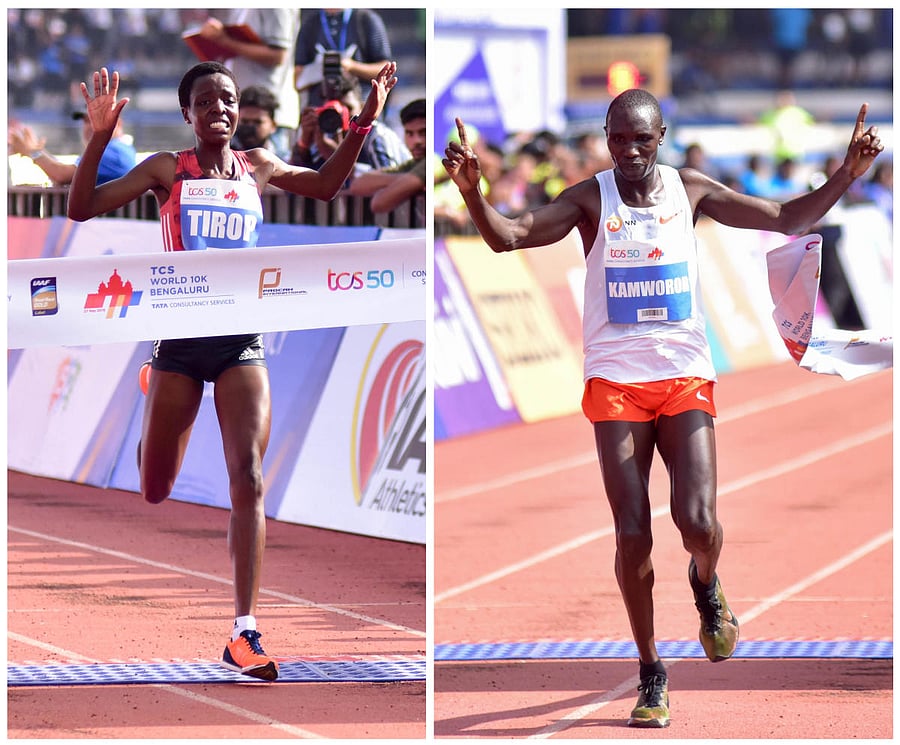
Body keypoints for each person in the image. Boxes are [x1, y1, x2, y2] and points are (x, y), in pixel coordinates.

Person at [442, 88, 882, 728]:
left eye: (641, 139)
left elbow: (785, 217)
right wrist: (473, 193)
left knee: (698, 521)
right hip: (616, 381)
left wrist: (846, 173)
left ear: (661, 136)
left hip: (683, 375)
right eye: (618, 139)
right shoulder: (589, 199)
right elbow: (509, 238)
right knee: (631, 532)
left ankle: (706, 584)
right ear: (606, 136)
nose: (628, 152)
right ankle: (651, 668)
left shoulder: (691, 191)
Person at [67, 61, 397, 681]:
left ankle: (244, 629)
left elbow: (327, 186)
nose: (221, 108)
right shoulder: (168, 170)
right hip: (180, 345)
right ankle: (152, 397)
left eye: (228, 99)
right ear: (188, 114)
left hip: (242, 340)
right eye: (207, 101)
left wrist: (364, 123)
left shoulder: (259, 166)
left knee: (246, 475)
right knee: (155, 487)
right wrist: (100, 138)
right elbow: (82, 207)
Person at [194, 9, 300, 161]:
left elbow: (278, 55)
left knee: (273, 176)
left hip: (268, 110)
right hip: (237, 108)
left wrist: (224, 40)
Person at [291, 73, 408, 173]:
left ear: (363, 107)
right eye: (334, 109)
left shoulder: (377, 136)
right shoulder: (322, 134)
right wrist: (304, 143)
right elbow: (294, 182)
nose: (342, 115)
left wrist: (335, 155)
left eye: (348, 108)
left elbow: (386, 180)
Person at [344, 97, 425, 224]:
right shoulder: (413, 165)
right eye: (410, 133)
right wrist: (410, 180)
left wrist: (411, 181)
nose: (417, 141)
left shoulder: (428, 163)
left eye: (423, 133)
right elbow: (358, 185)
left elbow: (379, 203)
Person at [294, 8, 392, 109]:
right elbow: (297, 79)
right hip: (322, 109)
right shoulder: (310, 24)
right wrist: (320, 69)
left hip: (360, 108)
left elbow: (386, 70)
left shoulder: (366, 19)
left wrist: (352, 67)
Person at [8, 110, 136, 186]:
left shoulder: (114, 152)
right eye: (86, 121)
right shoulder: (115, 149)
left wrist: (33, 153)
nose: (89, 126)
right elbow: (62, 171)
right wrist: (36, 151)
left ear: (117, 123)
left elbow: (61, 175)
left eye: (95, 119)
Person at [231, 85, 280, 153]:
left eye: (257, 122)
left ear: (273, 126)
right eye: (245, 122)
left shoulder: (284, 160)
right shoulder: (222, 157)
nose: (250, 128)